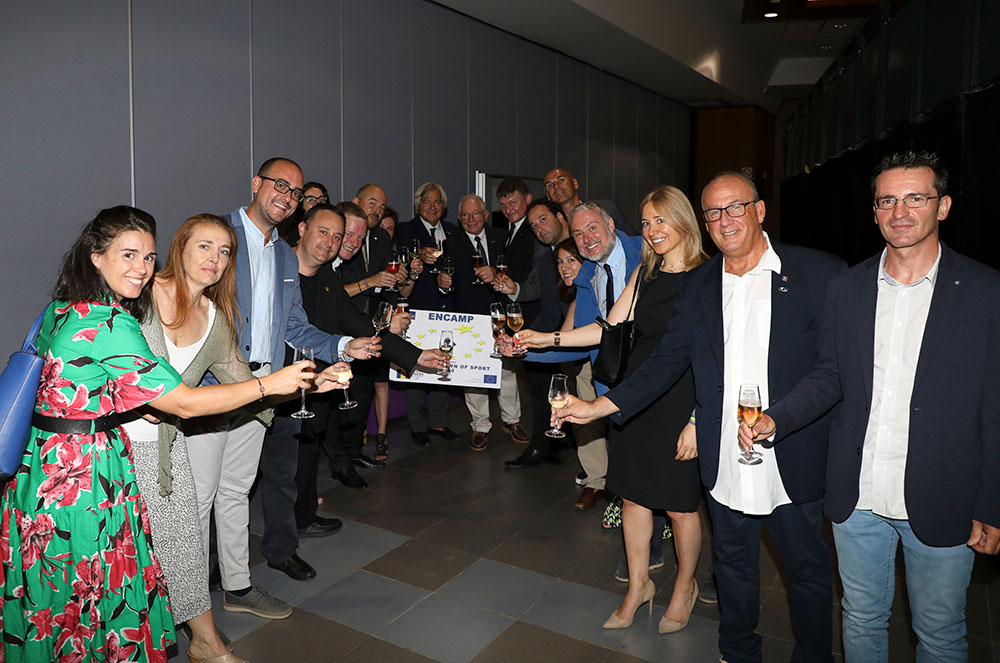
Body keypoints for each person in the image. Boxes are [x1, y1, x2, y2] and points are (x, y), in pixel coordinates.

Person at [0, 206, 326, 663]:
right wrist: (269, 384)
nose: (141, 267)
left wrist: (308, 383)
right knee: (94, 586)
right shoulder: (110, 320)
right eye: (128, 254)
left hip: (45, 466)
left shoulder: (64, 307)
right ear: (96, 256)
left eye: (148, 257)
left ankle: (202, 641)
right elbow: (184, 402)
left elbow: (76, 384)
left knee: (60, 593)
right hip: (82, 478)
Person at [555, 172, 844, 663]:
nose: (724, 220)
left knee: (806, 572)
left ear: (759, 210)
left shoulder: (818, 273)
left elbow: (833, 370)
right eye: (713, 212)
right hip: (725, 453)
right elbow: (665, 363)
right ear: (704, 222)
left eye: (735, 208)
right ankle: (737, 651)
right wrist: (597, 407)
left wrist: (781, 418)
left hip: (790, 453)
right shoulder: (700, 285)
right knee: (732, 568)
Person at [744, 151, 1000, 662]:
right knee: (860, 618)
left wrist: (991, 503)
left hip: (943, 493)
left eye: (915, 198)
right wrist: (777, 417)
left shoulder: (985, 291)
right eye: (887, 200)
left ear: (943, 206)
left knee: (940, 634)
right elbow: (830, 376)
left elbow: (995, 406)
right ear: (875, 211)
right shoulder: (847, 287)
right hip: (856, 494)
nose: (900, 211)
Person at [190, 157, 376, 621]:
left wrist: (341, 345)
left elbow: (294, 325)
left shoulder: (283, 255)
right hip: (212, 390)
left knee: (236, 493)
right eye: (280, 185)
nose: (287, 197)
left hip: (264, 392)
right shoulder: (218, 236)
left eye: (295, 192)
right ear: (256, 183)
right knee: (198, 501)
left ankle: (237, 586)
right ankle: (188, 608)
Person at [519, 186, 705, 633]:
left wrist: (698, 420)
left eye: (661, 220)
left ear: (683, 220)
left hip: (680, 401)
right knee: (634, 496)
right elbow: (610, 327)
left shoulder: (706, 277)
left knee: (680, 506)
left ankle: (685, 586)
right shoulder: (646, 271)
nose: (652, 231)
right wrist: (546, 339)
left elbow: (716, 358)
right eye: (646, 222)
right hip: (633, 396)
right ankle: (639, 586)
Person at [261, 203, 445, 580]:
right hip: (267, 387)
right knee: (257, 478)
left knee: (304, 454)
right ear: (302, 229)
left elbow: (359, 326)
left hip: (315, 385)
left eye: (337, 236)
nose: (330, 242)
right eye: (323, 232)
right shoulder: (274, 272)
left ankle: (299, 522)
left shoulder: (326, 281)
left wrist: (414, 356)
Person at [497, 200, 576, 469]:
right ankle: (542, 445)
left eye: (543, 220)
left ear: (560, 217)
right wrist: (525, 340)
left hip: (595, 337)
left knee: (591, 400)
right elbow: (549, 310)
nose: (539, 228)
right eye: (533, 225)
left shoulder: (586, 249)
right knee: (547, 390)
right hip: (563, 336)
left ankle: (596, 472)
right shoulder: (546, 262)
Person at [435, 195, 506, 451]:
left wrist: (496, 274)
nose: (470, 219)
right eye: (465, 215)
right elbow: (445, 278)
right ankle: (480, 425)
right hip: (469, 318)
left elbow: (516, 271)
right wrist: (442, 283)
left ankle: (513, 420)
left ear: (486, 215)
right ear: (458, 218)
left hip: (501, 313)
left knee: (507, 369)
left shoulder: (502, 237)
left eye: (475, 214)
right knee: (474, 373)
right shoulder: (451, 243)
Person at [393, 182, 460, 445]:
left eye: (437, 202)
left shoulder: (453, 232)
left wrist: (450, 283)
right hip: (418, 310)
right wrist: (420, 254)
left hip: (448, 309)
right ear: (417, 205)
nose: (432, 207)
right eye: (426, 202)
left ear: (443, 206)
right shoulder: (406, 229)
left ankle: (439, 423)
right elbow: (405, 255)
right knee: (417, 367)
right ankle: (417, 426)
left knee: (443, 364)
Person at [543, 168, 638, 236]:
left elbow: (634, 239)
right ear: (548, 196)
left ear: (575, 183)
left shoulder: (607, 208)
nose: (556, 186)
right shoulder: (551, 226)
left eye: (561, 180)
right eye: (550, 185)